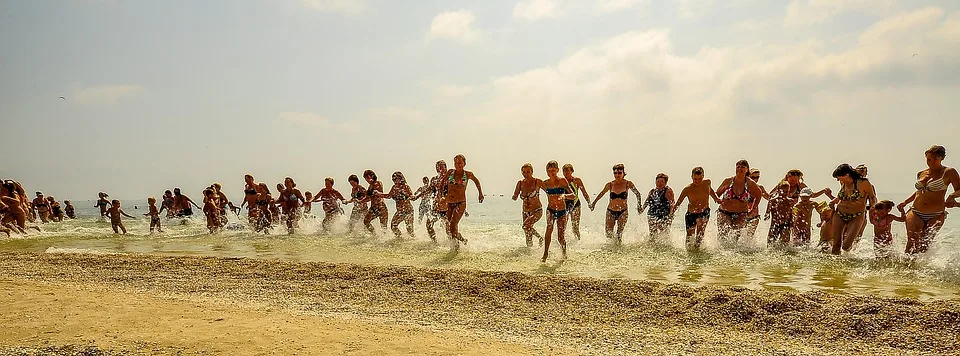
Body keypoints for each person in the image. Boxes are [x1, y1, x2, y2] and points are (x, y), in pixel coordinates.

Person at [898, 145, 959, 254]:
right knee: (912, 241)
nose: (931, 162)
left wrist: (952, 195)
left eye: (935, 159)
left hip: (936, 214)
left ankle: (922, 269)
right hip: (916, 211)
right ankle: (905, 269)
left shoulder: (949, 172)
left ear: (941, 158)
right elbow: (920, 192)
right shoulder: (921, 173)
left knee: (924, 245)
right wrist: (905, 202)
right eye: (929, 159)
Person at [829, 164, 877, 255]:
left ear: (847, 175)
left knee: (846, 246)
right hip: (839, 214)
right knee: (836, 245)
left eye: (839, 178)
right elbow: (842, 197)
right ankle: (834, 267)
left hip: (857, 215)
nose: (838, 180)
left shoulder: (863, 183)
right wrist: (833, 201)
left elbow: (872, 197)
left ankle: (848, 264)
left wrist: (873, 208)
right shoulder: (843, 183)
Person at [589, 164, 642, 245]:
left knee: (619, 234)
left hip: (623, 211)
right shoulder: (610, 184)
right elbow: (601, 193)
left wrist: (639, 206)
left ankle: (619, 250)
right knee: (608, 234)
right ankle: (611, 251)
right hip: (611, 211)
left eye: (619, 173)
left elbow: (637, 194)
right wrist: (593, 203)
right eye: (615, 173)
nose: (617, 175)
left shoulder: (628, 183)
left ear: (623, 173)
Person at [671, 167, 720, 251]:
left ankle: (697, 249)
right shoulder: (687, 189)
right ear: (691, 177)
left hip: (704, 211)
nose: (697, 181)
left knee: (700, 229)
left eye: (700, 179)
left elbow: (710, 190)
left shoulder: (707, 183)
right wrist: (672, 212)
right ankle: (689, 251)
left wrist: (715, 198)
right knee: (690, 235)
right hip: (691, 214)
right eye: (695, 179)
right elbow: (679, 202)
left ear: (703, 176)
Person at [441, 154, 484, 248]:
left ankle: (462, 241)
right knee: (449, 228)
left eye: (460, 162)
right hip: (450, 203)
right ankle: (457, 245)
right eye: (456, 163)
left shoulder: (468, 174)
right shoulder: (450, 172)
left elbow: (477, 181)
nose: (458, 164)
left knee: (452, 225)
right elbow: (442, 183)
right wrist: (442, 196)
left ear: (464, 163)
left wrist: (480, 194)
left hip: (461, 203)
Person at [714, 160, 763, 241]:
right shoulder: (728, 181)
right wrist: (717, 199)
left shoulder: (750, 183)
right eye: (738, 167)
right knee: (723, 234)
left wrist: (753, 208)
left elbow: (759, 195)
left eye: (742, 167)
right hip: (724, 212)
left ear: (747, 169)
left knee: (735, 237)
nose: (740, 169)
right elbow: (717, 193)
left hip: (741, 214)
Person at [540, 161, 573, 262]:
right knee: (549, 227)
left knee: (560, 236)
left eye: (553, 170)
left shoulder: (562, 181)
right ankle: (545, 253)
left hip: (562, 211)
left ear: (557, 170)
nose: (552, 172)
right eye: (549, 171)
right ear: (547, 172)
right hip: (550, 210)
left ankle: (564, 254)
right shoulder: (545, 183)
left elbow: (573, 195)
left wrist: (564, 196)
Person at [512, 163, 544, 247]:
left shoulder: (538, 182)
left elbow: (549, 192)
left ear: (532, 172)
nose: (526, 174)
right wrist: (515, 197)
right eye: (524, 172)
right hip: (525, 212)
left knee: (526, 226)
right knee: (528, 235)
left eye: (528, 172)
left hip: (537, 210)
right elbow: (515, 196)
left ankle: (540, 238)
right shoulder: (520, 183)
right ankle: (530, 255)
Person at [379, 172, 416, 239]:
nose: (395, 180)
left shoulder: (405, 186)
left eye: (396, 178)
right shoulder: (394, 187)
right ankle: (400, 238)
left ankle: (414, 242)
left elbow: (411, 196)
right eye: (394, 179)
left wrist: (412, 197)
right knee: (393, 226)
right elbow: (388, 196)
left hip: (408, 211)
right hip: (399, 212)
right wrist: (379, 194)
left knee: (409, 229)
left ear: (401, 178)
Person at [640, 173, 675, 241]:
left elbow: (672, 204)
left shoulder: (668, 191)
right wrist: (642, 209)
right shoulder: (652, 191)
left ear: (665, 183)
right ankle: (653, 247)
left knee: (664, 233)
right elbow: (647, 201)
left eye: (662, 181)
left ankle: (665, 247)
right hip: (652, 214)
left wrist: (671, 215)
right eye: (658, 181)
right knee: (652, 234)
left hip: (664, 215)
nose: (659, 183)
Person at [561, 164, 591, 240]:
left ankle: (578, 242)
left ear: (572, 171)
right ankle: (562, 241)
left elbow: (584, 192)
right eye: (564, 171)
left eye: (568, 171)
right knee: (563, 226)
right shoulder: (561, 181)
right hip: (565, 206)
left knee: (575, 227)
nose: (566, 173)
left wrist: (589, 203)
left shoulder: (577, 180)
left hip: (576, 205)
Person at [425, 161, 449, 242]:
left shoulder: (450, 178)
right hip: (436, 208)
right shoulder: (434, 179)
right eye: (437, 167)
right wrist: (417, 196)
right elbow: (429, 190)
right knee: (428, 224)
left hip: (447, 209)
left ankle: (453, 244)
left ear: (446, 167)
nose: (439, 169)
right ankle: (434, 242)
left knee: (448, 229)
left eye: (441, 167)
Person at [361, 170, 389, 235]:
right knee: (366, 222)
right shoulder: (370, 186)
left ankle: (386, 241)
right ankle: (374, 234)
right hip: (373, 208)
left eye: (367, 177)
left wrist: (373, 190)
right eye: (365, 178)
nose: (366, 180)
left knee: (384, 228)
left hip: (381, 208)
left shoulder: (378, 183)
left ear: (372, 176)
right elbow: (368, 198)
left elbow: (380, 192)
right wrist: (361, 201)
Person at [744, 169, 771, 237]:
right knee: (737, 236)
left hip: (754, 216)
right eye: (753, 177)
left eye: (757, 177)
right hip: (742, 215)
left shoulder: (760, 188)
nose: (755, 179)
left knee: (749, 238)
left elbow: (769, 198)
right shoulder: (743, 187)